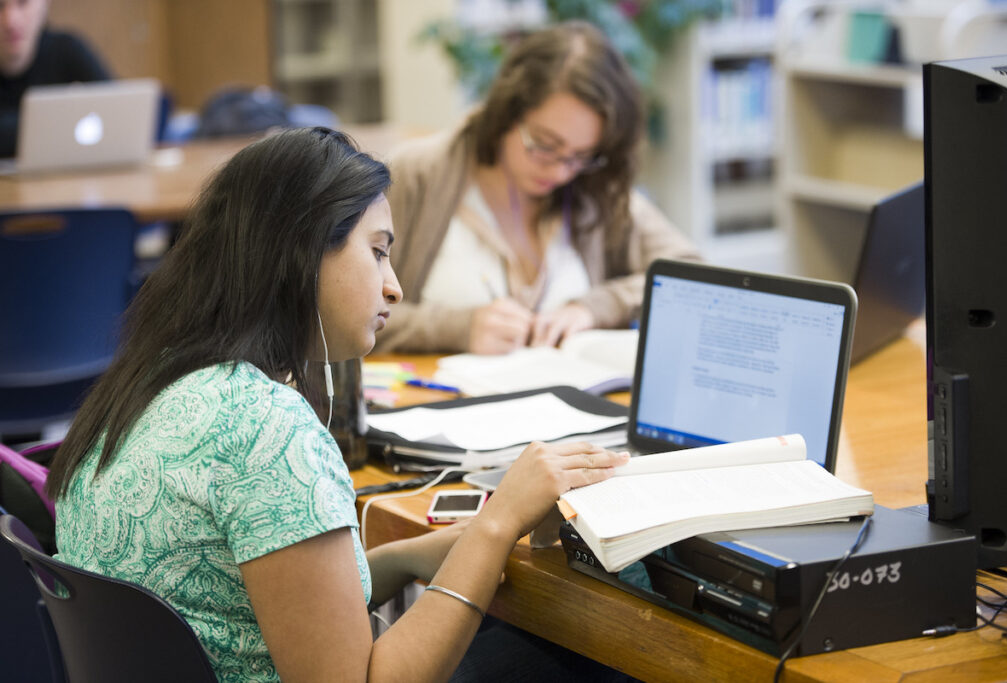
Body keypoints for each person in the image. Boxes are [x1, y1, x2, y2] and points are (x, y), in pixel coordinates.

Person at [44, 126, 630, 682]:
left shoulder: (152, 382)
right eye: (377, 252)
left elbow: (260, 598)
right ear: (302, 252)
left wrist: (411, 557)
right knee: (589, 658)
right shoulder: (265, 432)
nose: (394, 286)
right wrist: (497, 522)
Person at [377, 20, 700, 355]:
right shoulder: (416, 175)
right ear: (506, 113)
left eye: (581, 155)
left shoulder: (595, 186)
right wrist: (456, 329)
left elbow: (691, 276)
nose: (561, 171)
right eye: (544, 145)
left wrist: (594, 307)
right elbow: (341, 314)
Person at [0, 0, 111, 157]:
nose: (11, 21)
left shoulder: (68, 50)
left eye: (23, 3)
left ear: (44, 4)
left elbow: (118, 113)